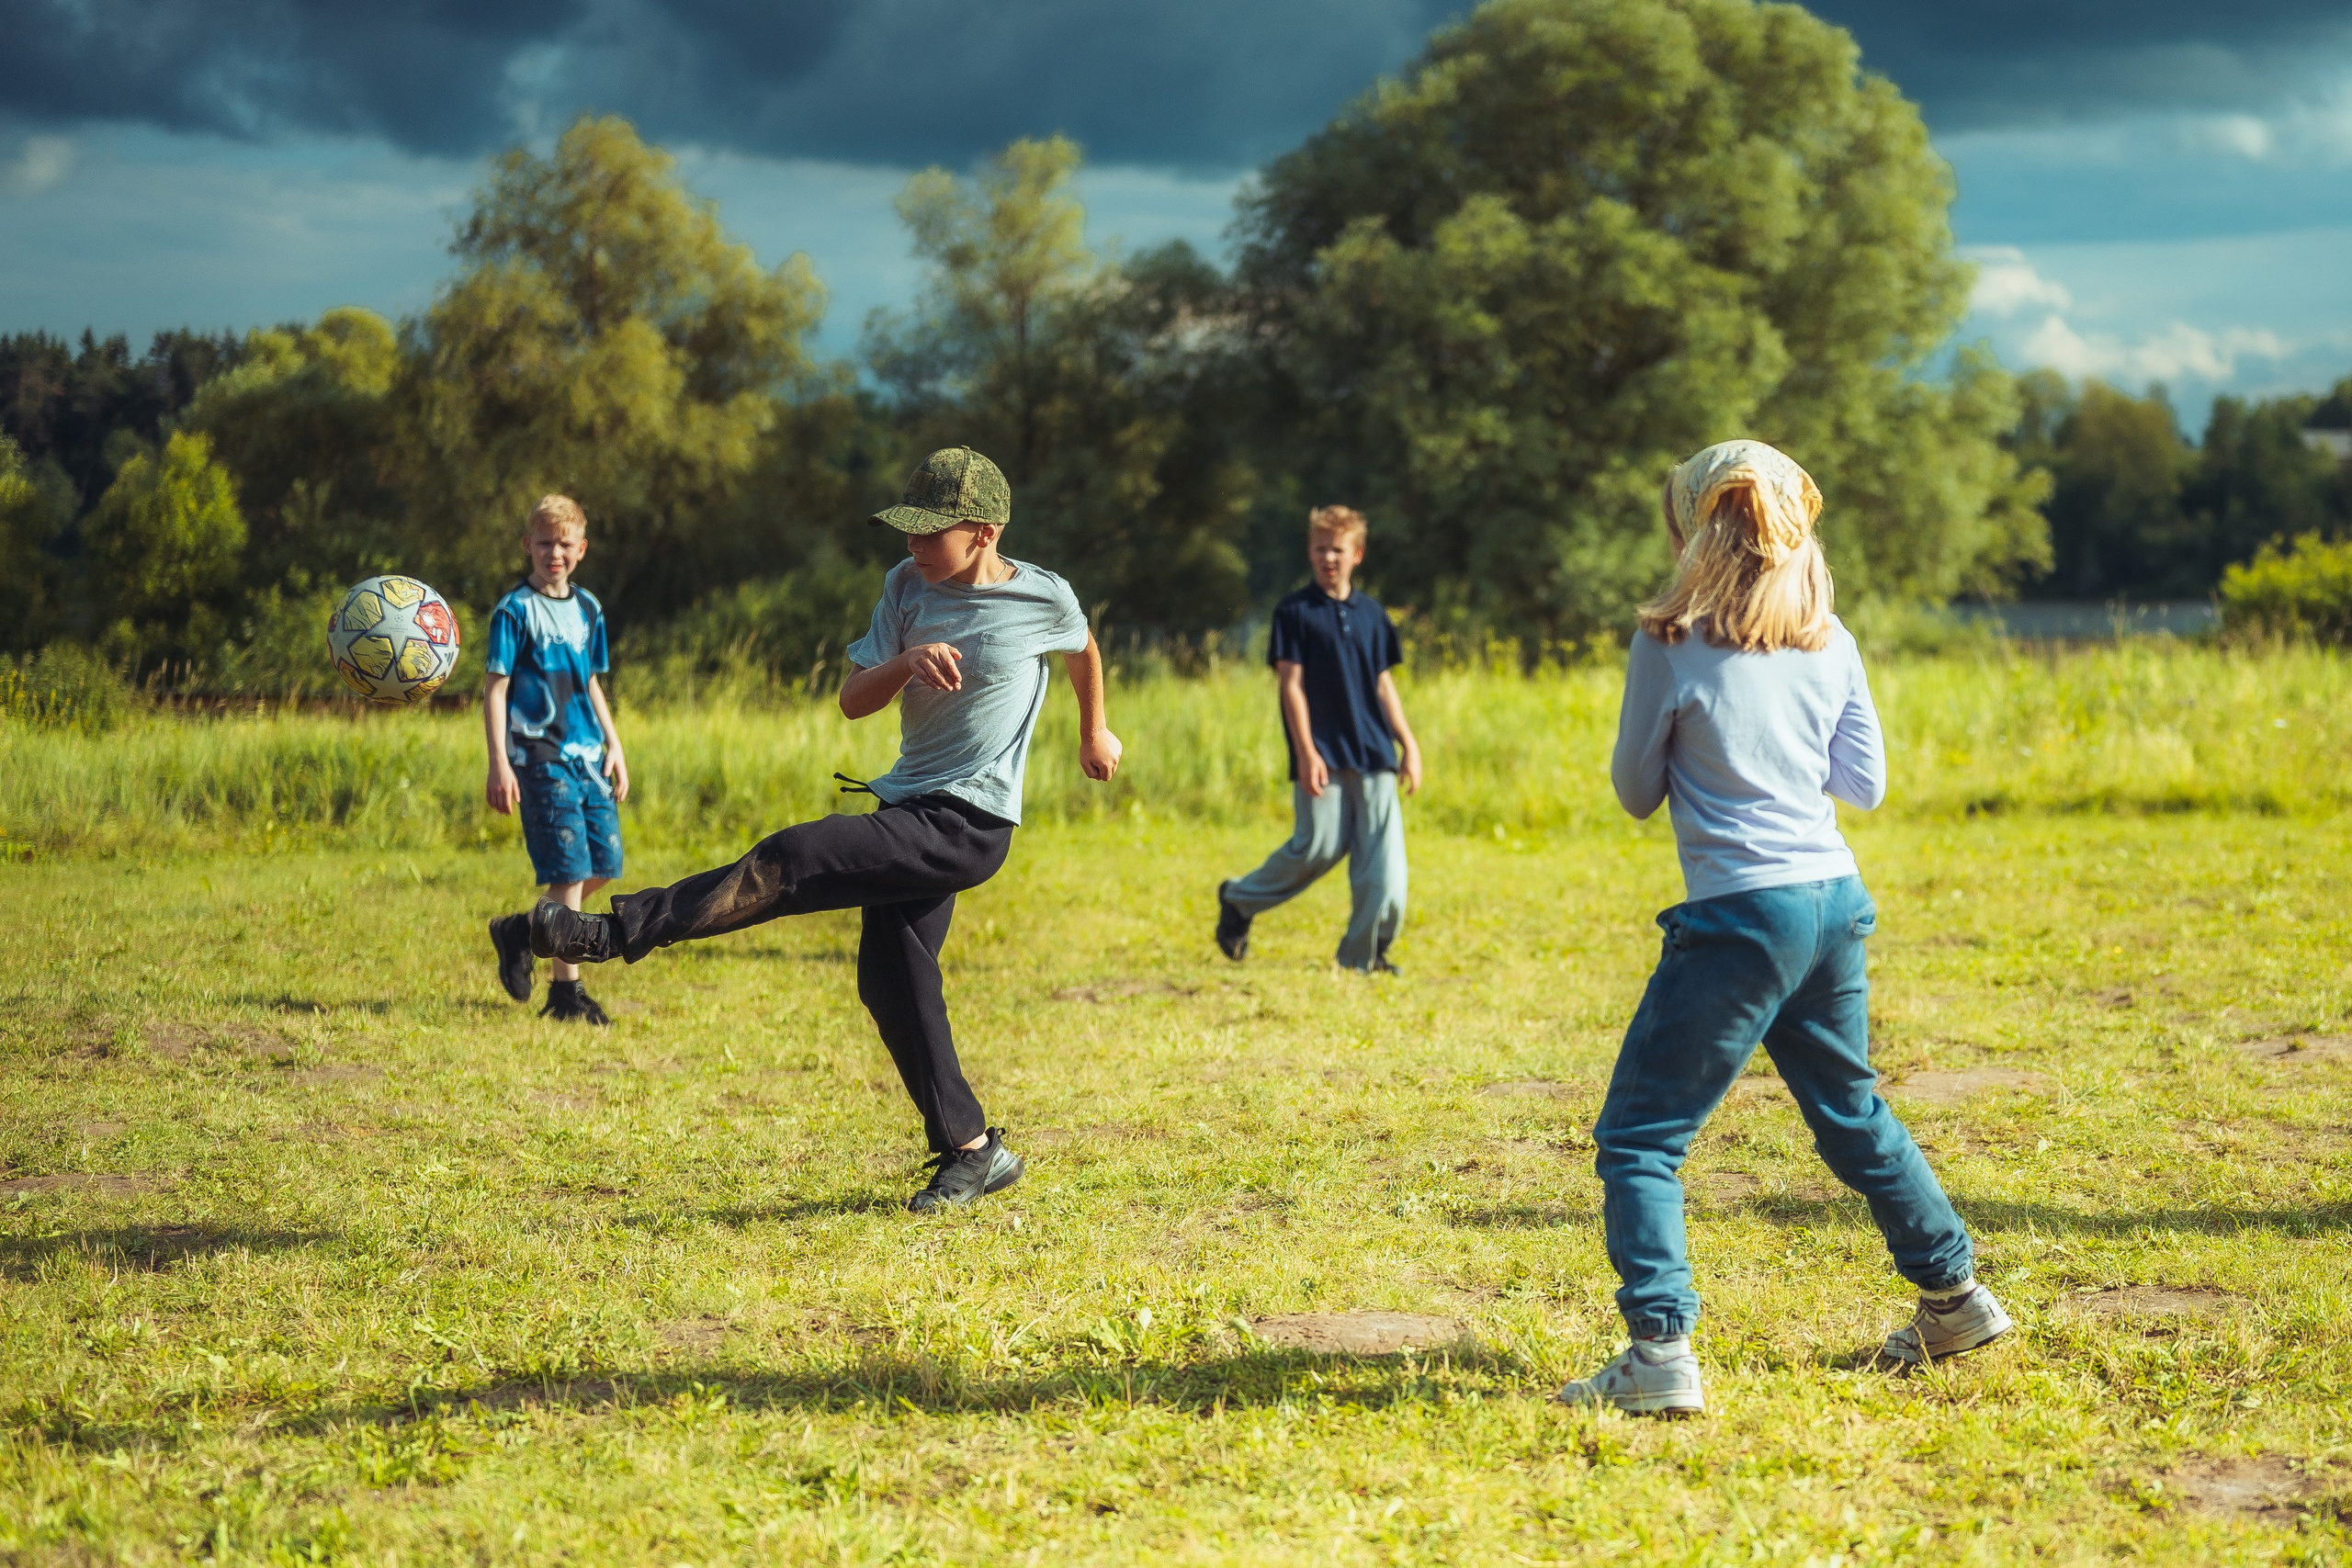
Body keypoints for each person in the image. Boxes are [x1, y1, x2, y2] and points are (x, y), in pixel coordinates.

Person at [522, 446, 1121, 1212]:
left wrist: (1093, 730)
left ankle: (609, 934)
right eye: (907, 528)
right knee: (892, 976)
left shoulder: (1042, 595)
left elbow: (1081, 647)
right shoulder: (905, 585)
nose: (912, 543)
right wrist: (907, 661)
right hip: (908, 805)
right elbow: (852, 699)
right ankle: (974, 1151)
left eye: (930, 530)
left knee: (796, 855)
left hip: (970, 821)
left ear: (984, 531)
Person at [1556, 440, 2010, 1418]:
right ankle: (1955, 1297)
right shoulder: (1829, 639)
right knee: (1852, 1111)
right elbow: (1864, 785)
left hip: (1739, 914)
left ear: (1691, 528)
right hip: (1832, 900)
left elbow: (1635, 791)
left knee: (1640, 1139)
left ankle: (1659, 1350)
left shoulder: (1667, 639)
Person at [1214, 505, 1422, 973]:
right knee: (1316, 848)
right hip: (1323, 753)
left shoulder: (1373, 615)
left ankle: (1364, 957)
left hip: (1375, 753)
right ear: (1309, 552)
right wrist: (1306, 752)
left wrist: (1409, 744)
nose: (1329, 557)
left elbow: (1383, 684)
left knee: (1385, 868)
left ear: (1357, 554)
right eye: (1320, 548)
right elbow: (1290, 685)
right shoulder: (1294, 612)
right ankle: (1239, 900)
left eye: (1338, 550)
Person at [483, 495, 629, 1025]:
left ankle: (520, 932)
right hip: (538, 756)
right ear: (527, 545)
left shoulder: (589, 608)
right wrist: (499, 762)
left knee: (605, 865)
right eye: (544, 543)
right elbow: (495, 689)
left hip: (588, 756)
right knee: (569, 871)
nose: (554, 553)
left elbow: (590, 681)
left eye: (565, 543)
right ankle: (567, 993)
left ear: (581, 549)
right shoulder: (514, 611)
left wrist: (615, 744)